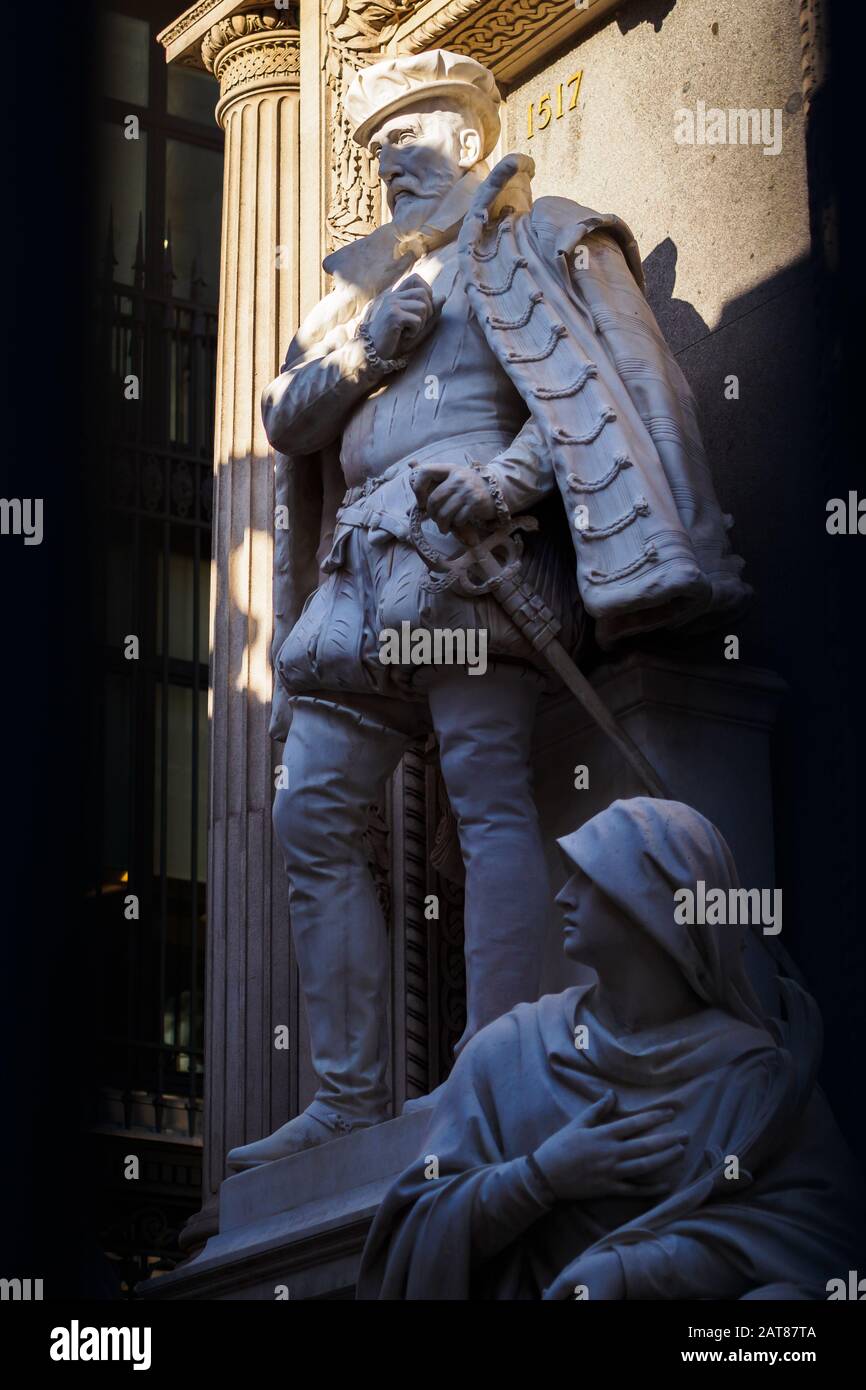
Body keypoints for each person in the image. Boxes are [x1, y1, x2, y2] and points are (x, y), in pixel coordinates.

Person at [228, 47, 748, 1167]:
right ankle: (348, 1095)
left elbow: (584, 386)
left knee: (484, 794)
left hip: (472, 551)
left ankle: (493, 1057)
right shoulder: (354, 299)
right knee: (310, 812)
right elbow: (285, 419)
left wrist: (505, 480)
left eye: (403, 147)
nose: (385, 171)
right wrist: (372, 348)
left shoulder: (535, 232)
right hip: (359, 566)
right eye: (371, 155)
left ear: (464, 140)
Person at [357, 798, 863, 1299]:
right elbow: (409, 1238)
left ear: (653, 902)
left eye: (587, 876)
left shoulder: (758, 1082)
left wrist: (635, 1271)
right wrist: (539, 1178)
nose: (562, 897)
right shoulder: (509, 1052)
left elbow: (829, 1252)